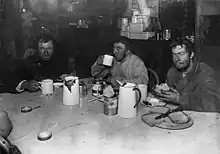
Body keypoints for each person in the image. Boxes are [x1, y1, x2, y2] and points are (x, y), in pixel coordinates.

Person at [160, 37, 220, 112]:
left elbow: (212, 104)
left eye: (181, 54)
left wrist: (180, 99)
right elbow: (168, 96)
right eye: (174, 54)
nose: (177, 58)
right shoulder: (172, 71)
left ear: (191, 54)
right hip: (178, 116)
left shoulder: (205, 72)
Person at [9, 33, 76, 93]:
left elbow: (75, 76)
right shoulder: (28, 62)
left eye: (49, 48)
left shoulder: (62, 60)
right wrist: (26, 85)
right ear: (37, 49)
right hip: (33, 101)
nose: (46, 53)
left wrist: (69, 77)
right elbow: (11, 80)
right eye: (42, 48)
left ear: (54, 49)